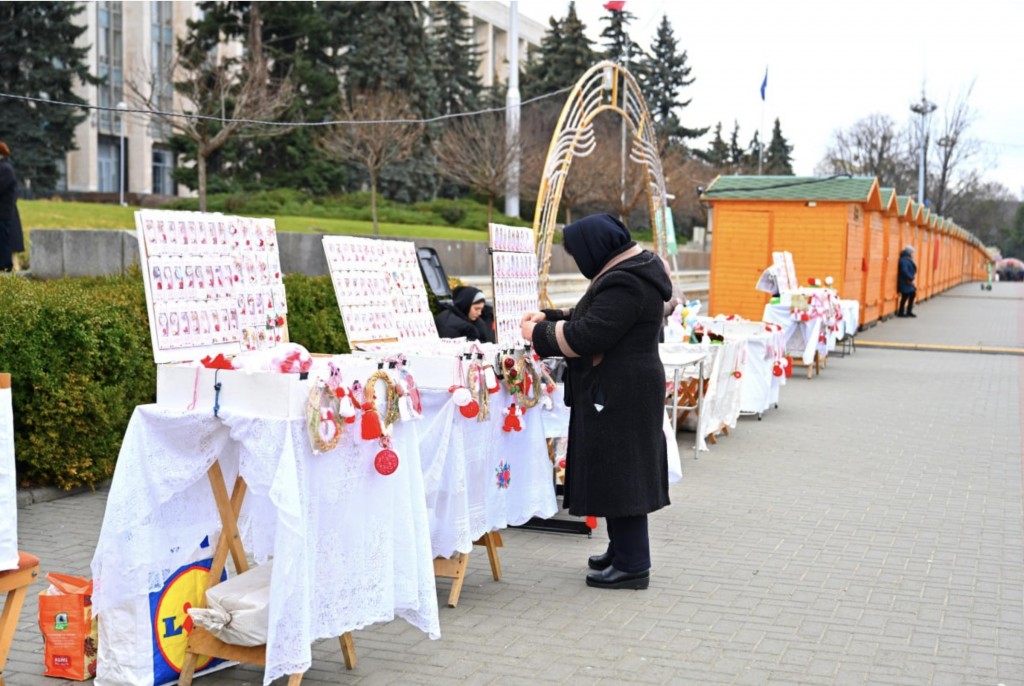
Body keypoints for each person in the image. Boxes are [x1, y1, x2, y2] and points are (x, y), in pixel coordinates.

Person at [520, 213, 672, 590]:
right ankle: (621, 550)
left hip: (623, 391)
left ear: (595, 250)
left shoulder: (626, 281)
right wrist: (553, 316)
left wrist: (537, 333)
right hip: (621, 387)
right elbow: (594, 314)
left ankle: (633, 564)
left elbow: (589, 334)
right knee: (614, 471)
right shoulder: (628, 270)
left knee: (625, 475)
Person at [0, 141, 25, 273]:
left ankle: (6, 268)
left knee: (5, 244)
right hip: (4, 214)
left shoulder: (5, 169)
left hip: (4, 214)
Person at [897, 245, 917, 318]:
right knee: (906, 296)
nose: (913, 254)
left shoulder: (906, 259)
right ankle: (902, 312)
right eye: (912, 252)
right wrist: (910, 277)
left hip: (907, 281)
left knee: (911, 294)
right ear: (909, 252)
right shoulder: (904, 260)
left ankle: (908, 311)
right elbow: (904, 270)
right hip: (905, 281)